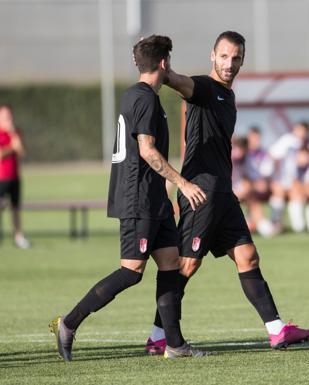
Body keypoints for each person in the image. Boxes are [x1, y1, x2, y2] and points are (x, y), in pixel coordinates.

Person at [145, 31, 309, 354]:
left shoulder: (229, 96)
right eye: (223, 56)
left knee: (248, 256)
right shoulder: (203, 88)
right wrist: (157, 62)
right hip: (201, 191)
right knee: (185, 265)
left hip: (223, 192)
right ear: (213, 56)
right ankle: (159, 335)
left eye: (236, 58)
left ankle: (277, 330)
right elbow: (175, 80)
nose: (229, 63)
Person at [50, 35, 208, 361]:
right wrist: (183, 183)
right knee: (131, 271)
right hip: (138, 199)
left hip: (154, 201)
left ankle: (175, 344)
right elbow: (148, 151)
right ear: (164, 64)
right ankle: (68, 323)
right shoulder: (147, 100)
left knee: (170, 264)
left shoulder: (135, 94)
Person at [0, 105, 30, 249]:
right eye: (5, 116)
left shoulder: (15, 132)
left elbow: (22, 151)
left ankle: (18, 237)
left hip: (14, 177)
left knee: (16, 208)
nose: (9, 118)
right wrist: (12, 147)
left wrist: (13, 135)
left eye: (9, 115)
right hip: (1, 178)